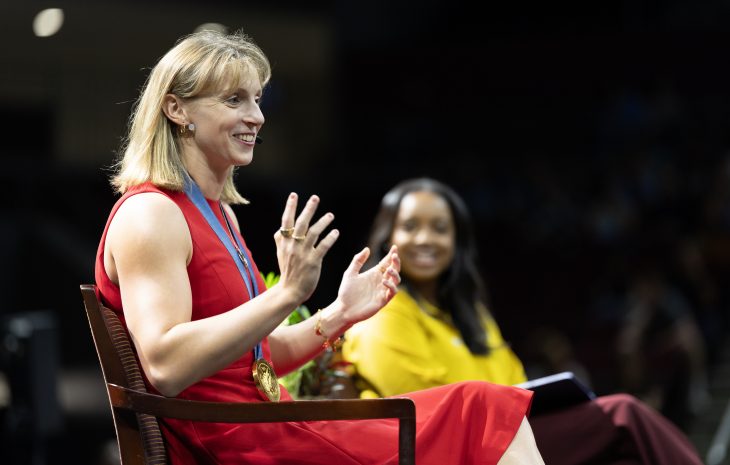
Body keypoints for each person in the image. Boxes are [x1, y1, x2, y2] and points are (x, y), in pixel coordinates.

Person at [94, 30, 546, 464]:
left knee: (488, 410)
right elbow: (166, 366)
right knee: (482, 409)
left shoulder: (219, 215)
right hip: (239, 443)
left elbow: (260, 355)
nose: (257, 115)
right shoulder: (150, 215)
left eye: (257, 99)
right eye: (234, 100)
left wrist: (340, 313)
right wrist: (287, 293)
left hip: (271, 426)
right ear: (176, 109)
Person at [342, 177, 705, 465]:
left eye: (440, 227)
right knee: (623, 415)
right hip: (449, 444)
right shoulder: (380, 310)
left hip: (511, 434)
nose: (426, 238)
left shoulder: (471, 314)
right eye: (411, 226)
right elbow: (415, 394)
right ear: (388, 234)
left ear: (457, 241)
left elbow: (515, 381)